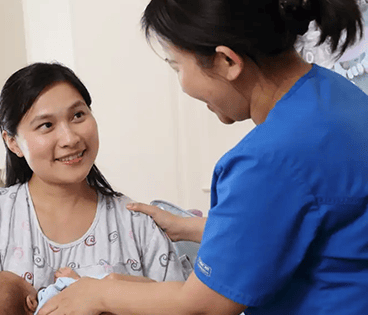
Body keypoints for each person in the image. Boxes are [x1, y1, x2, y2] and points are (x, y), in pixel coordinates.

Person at [36, 0, 368, 314]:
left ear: (227, 61)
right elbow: (295, 223)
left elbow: (203, 306)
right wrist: (189, 228)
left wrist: (99, 292)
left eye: (176, 65)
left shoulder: (268, 159)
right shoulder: (338, 95)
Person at [0, 62, 193, 315]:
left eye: (78, 115)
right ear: (12, 142)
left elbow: (185, 307)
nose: (70, 138)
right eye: (46, 125)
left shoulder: (137, 222)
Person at [0, 267, 152, 315]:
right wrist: (73, 278)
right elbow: (82, 289)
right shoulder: (49, 296)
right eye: (24, 280)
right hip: (114, 305)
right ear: (30, 303)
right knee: (114, 280)